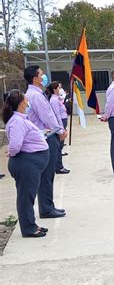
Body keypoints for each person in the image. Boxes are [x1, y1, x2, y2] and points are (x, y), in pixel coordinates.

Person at [4, 90, 50, 237]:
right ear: (22, 103)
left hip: (30, 163)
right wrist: (11, 152)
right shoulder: (17, 121)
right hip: (26, 163)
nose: (28, 101)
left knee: (28, 195)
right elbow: (15, 145)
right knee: (26, 197)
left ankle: (31, 224)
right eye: (26, 99)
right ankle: (28, 228)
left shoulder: (21, 118)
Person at [24, 65, 67, 219]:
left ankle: (48, 206)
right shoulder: (35, 96)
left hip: (44, 136)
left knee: (47, 175)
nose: (44, 77)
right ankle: (46, 209)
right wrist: (61, 131)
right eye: (41, 74)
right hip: (47, 137)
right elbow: (47, 117)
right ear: (35, 79)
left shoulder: (33, 94)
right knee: (47, 174)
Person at [46, 81, 70, 175]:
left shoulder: (57, 99)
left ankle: (59, 166)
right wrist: (61, 128)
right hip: (60, 123)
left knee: (60, 146)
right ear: (55, 89)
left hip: (63, 121)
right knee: (59, 146)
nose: (60, 89)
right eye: (59, 88)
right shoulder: (54, 100)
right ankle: (59, 167)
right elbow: (57, 115)